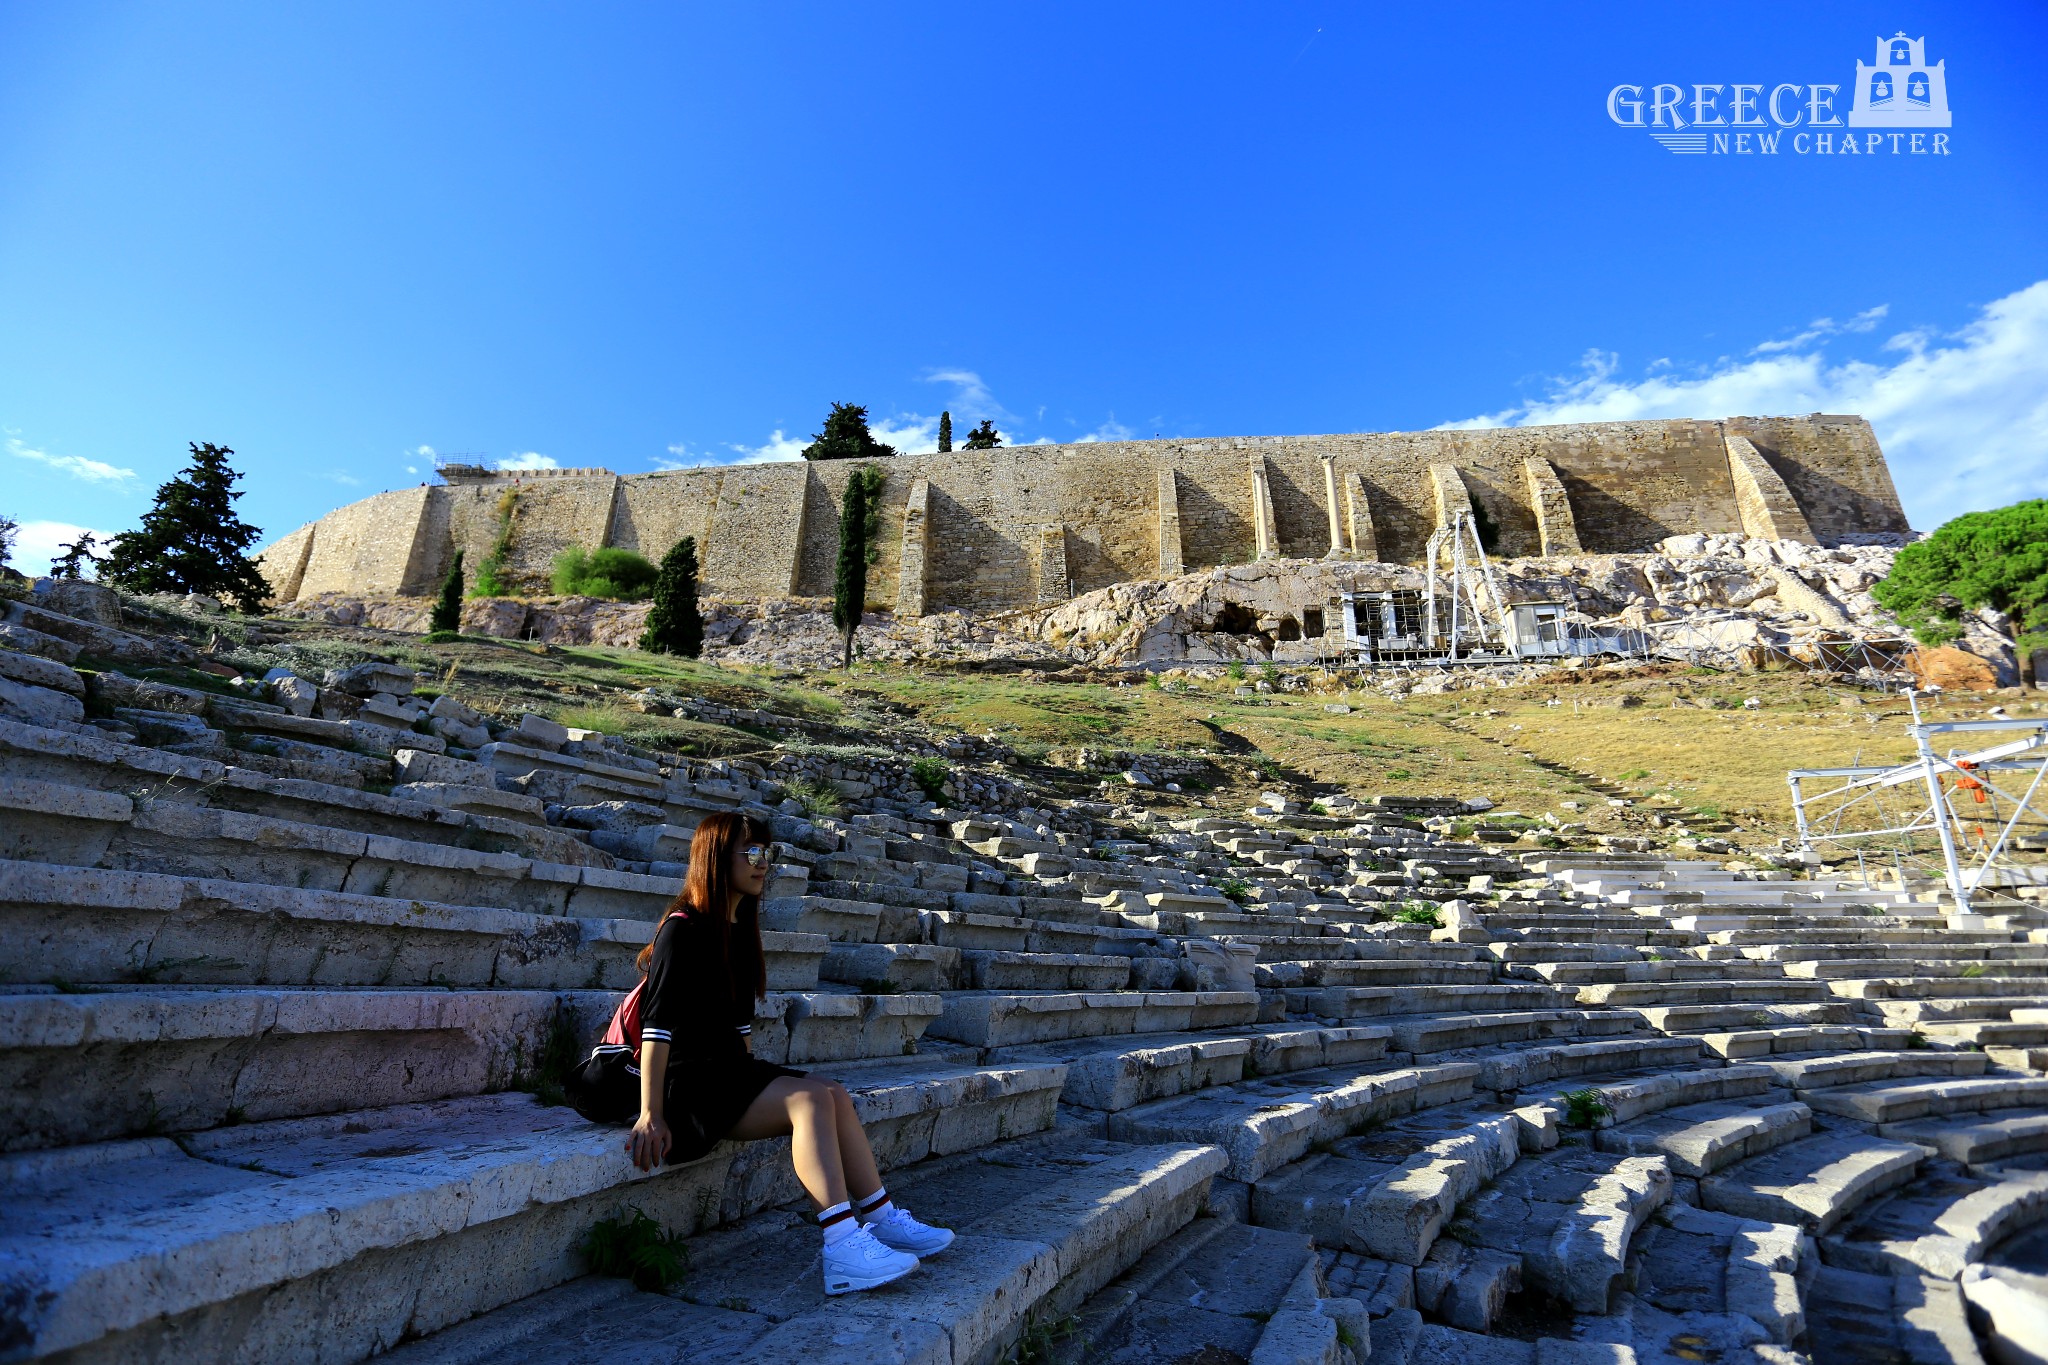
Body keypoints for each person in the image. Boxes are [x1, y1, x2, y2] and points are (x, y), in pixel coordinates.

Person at [565, 810, 953, 1295]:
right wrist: (650, 1114)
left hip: (727, 1075)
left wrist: (762, 1080)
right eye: (750, 852)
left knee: (830, 1092)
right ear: (714, 858)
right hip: (685, 1089)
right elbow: (657, 1030)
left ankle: (881, 1216)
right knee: (808, 1101)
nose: (762, 863)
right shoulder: (681, 931)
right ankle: (842, 1245)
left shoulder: (739, 931)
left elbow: (741, 1035)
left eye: (766, 852)